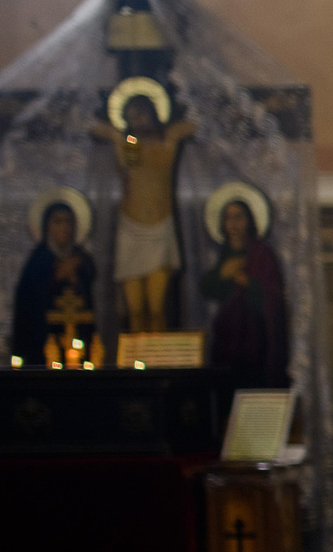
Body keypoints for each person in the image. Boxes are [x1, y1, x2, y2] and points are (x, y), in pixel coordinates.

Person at [96, 89, 196, 335]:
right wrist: (120, 135)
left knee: (156, 309)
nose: (137, 119)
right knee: (135, 311)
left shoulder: (167, 141)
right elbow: (122, 155)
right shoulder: (130, 144)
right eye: (131, 115)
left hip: (160, 228)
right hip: (131, 229)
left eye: (141, 112)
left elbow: (192, 126)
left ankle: (156, 362)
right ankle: (135, 365)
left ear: (152, 113)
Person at [200, 195, 288, 389]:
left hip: (255, 341)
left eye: (238, 217)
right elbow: (208, 289)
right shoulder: (222, 256)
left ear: (249, 221)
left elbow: (273, 295)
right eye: (228, 218)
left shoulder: (261, 254)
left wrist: (248, 283)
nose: (233, 223)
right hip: (227, 340)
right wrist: (223, 276)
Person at [9, 199, 98, 364]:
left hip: (78, 334)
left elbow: (88, 287)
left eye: (68, 221)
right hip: (43, 336)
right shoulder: (38, 259)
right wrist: (57, 275)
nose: (64, 227)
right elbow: (28, 299)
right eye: (58, 221)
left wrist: (74, 275)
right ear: (47, 226)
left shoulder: (81, 258)